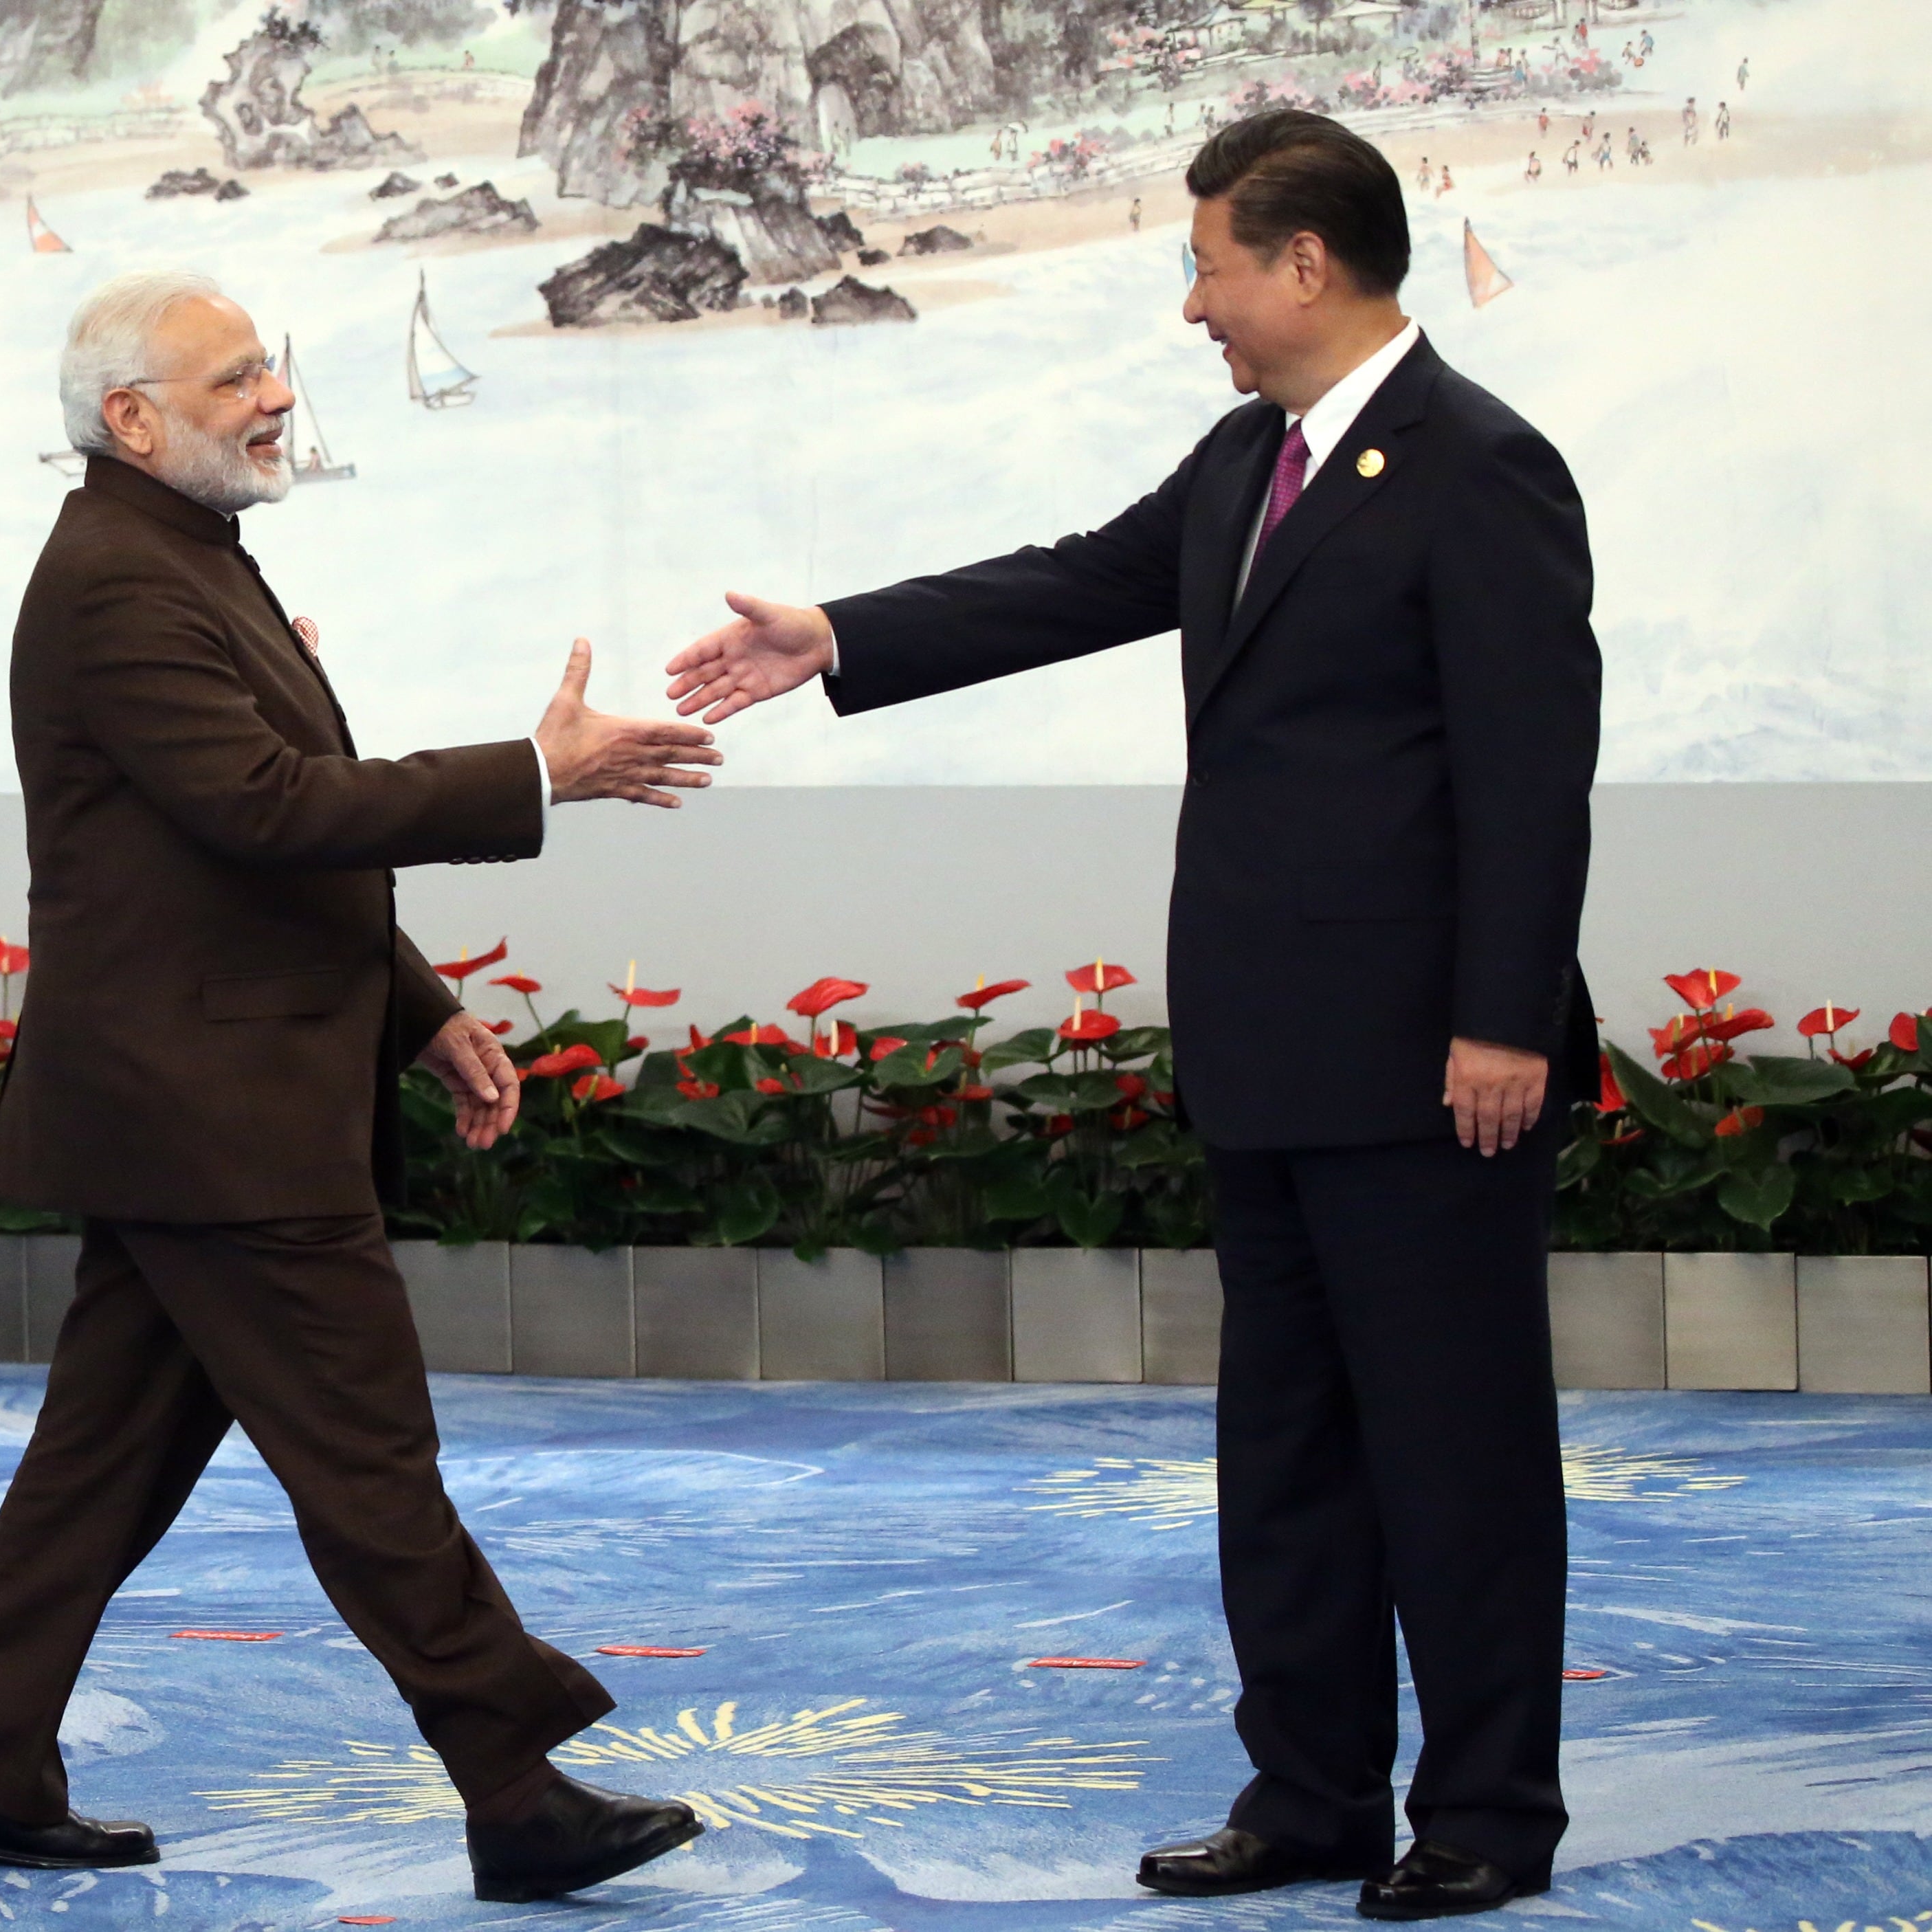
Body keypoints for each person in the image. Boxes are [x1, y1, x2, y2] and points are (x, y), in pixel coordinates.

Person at [663, 109, 1599, 1920]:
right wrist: (835, 637)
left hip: (1428, 1066)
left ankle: (1484, 1813)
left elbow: (1525, 770)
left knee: (1454, 1453)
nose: (1194, 306)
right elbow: (1078, 578)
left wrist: (1501, 1020)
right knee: (1288, 1451)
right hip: (1269, 1049)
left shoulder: (1478, 466)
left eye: (1205, 265)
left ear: (1302, 263)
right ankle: (1308, 1792)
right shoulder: (1250, 459)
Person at [0, 271, 719, 1902]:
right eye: (233, 378)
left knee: (100, 1463)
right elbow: (270, 811)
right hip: (214, 1120)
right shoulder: (124, 583)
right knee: (365, 1454)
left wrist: (416, 1012)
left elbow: (238, 845)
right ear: (130, 420)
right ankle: (514, 1784)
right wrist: (545, 772)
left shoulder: (180, 558)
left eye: (267, 365)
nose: (275, 397)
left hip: (199, 1101)